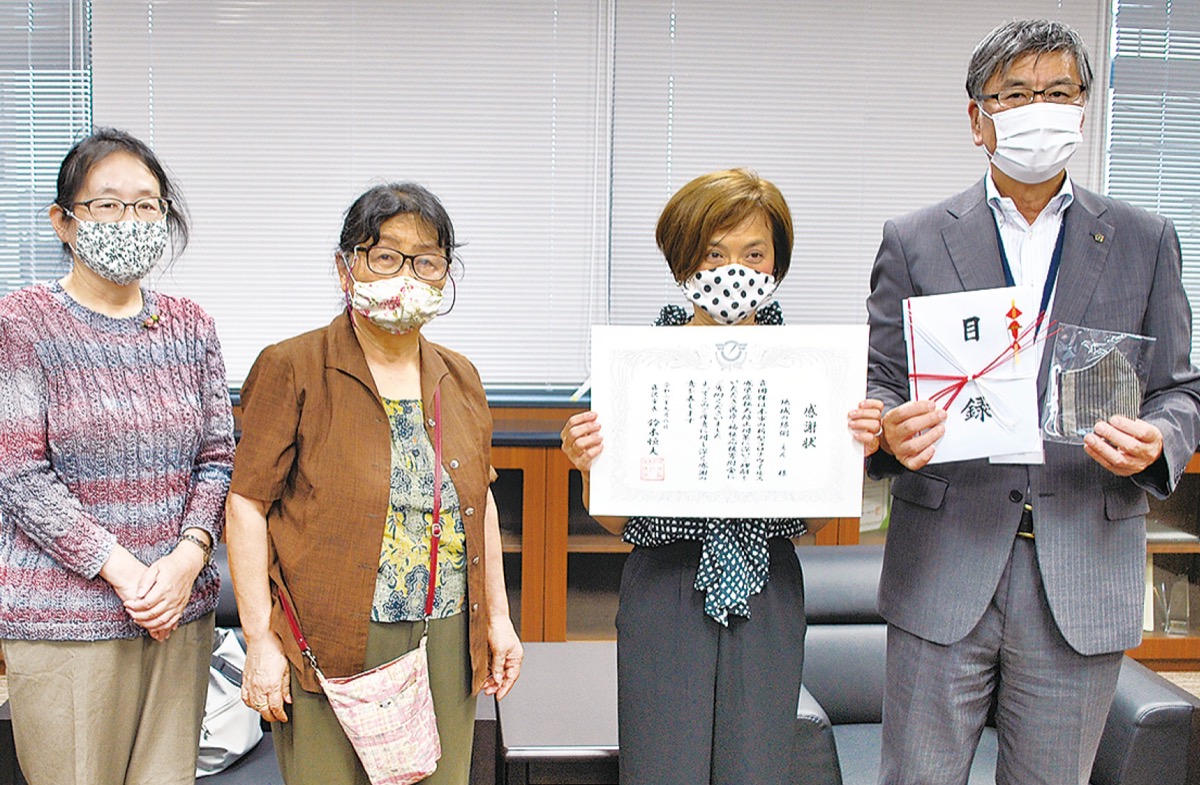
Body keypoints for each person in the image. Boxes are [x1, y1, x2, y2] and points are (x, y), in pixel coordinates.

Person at [866, 19, 1200, 785]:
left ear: (1082, 109)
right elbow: (882, 379)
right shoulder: (914, 239)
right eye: (1015, 94)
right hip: (944, 560)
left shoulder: (1145, 239)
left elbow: (1180, 388)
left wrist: (1159, 437)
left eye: (1058, 92)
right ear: (977, 117)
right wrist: (888, 425)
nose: (1038, 109)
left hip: (1082, 561)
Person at [561, 168, 883, 785]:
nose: (734, 270)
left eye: (754, 254)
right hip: (665, 583)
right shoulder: (638, 368)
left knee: (757, 768)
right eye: (714, 253)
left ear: (776, 264)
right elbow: (618, 519)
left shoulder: (810, 372)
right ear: (683, 261)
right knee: (661, 768)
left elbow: (811, 522)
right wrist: (588, 464)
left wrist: (849, 457)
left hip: (769, 583)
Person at [225, 182, 523, 785]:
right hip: (330, 638)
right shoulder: (293, 366)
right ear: (346, 267)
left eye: (426, 261)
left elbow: (478, 503)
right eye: (386, 257)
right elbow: (247, 505)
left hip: (446, 635)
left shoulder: (459, 376)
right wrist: (259, 639)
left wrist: (498, 618)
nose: (406, 276)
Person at [0, 127, 235, 785]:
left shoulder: (191, 325)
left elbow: (218, 456)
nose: (129, 220)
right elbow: (19, 474)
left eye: (145, 205)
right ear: (64, 221)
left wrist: (188, 558)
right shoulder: (22, 322)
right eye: (107, 204)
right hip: (66, 620)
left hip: (177, 616)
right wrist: (124, 571)